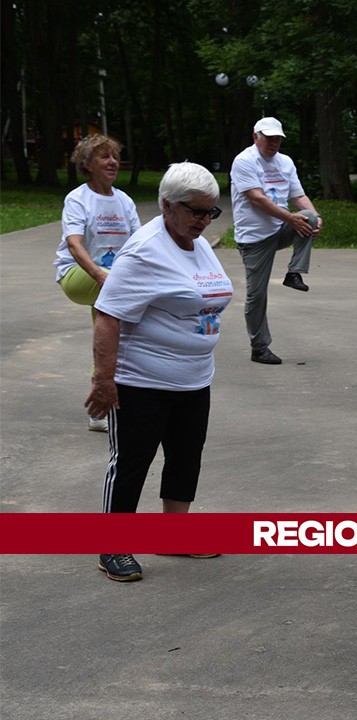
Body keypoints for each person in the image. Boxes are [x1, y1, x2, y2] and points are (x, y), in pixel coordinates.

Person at [85, 162, 233, 582]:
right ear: (167, 205)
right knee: (132, 461)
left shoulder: (195, 241)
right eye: (196, 212)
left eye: (212, 212)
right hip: (141, 380)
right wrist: (104, 380)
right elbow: (108, 316)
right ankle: (112, 546)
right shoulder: (144, 250)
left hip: (194, 376)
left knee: (186, 456)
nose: (205, 221)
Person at [54, 134, 142, 432]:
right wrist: (101, 276)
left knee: (109, 330)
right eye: (104, 157)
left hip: (111, 281)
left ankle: (100, 405)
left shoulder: (124, 200)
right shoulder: (78, 199)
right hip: (77, 276)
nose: (113, 162)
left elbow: (140, 243)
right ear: (87, 164)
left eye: (115, 156)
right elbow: (75, 246)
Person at [231, 117, 322, 365]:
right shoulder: (244, 161)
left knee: (309, 218)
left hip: (280, 228)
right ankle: (259, 347)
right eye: (268, 138)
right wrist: (291, 219)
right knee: (257, 295)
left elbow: (298, 195)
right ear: (255, 136)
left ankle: (294, 273)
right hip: (253, 237)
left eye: (277, 139)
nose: (274, 143)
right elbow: (257, 199)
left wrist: (315, 217)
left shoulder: (285, 162)